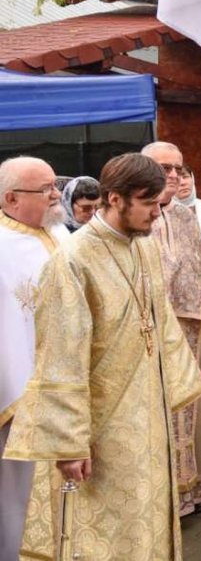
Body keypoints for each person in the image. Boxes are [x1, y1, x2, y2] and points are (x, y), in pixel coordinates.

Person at [4, 153, 201, 560]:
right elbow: (60, 356)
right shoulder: (73, 260)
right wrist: (69, 442)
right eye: (148, 203)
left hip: (147, 413)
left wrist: (181, 387)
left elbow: (161, 324)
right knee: (102, 534)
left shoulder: (142, 246)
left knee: (146, 520)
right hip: (100, 427)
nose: (157, 213)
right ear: (115, 199)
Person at [141, 141, 201, 516]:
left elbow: (200, 275)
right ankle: (162, 494)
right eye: (164, 168)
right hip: (149, 335)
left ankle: (192, 489)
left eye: (178, 167)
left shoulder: (186, 216)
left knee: (191, 413)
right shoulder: (134, 216)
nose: (173, 175)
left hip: (190, 332)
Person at [0, 157, 69, 559]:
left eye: (54, 184)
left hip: (64, 394)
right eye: (44, 188)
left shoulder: (60, 235)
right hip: (19, 397)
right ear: (10, 198)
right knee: (18, 496)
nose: (55, 194)